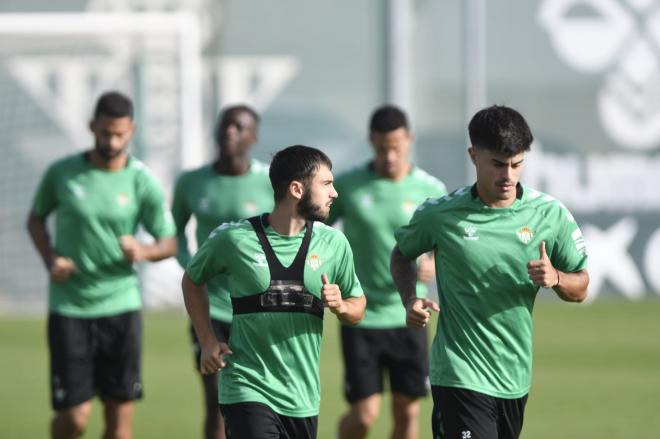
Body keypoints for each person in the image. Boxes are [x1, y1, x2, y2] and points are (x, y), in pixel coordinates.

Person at [390, 105, 589, 439]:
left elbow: (581, 285)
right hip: (458, 374)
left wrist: (556, 278)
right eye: (497, 164)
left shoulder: (550, 215)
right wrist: (410, 298)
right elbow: (402, 255)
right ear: (473, 155)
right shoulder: (441, 214)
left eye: (517, 164)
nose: (508, 175)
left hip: (514, 376)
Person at [182, 145, 367, 439]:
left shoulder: (335, 244)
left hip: (302, 398)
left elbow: (358, 305)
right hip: (247, 387)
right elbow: (192, 280)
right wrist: (207, 340)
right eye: (326, 184)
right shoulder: (234, 238)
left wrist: (343, 307)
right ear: (296, 189)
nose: (334, 193)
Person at [26, 91, 177, 439]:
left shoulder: (142, 180)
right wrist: (50, 259)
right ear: (92, 126)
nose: (112, 141)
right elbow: (35, 220)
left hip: (120, 306)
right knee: (74, 419)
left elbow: (169, 243)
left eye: (120, 134)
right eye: (105, 132)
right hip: (70, 307)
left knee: (118, 427)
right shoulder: (63, 173)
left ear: (132, 131)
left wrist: (143, 250)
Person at [328, 105, 447, 439]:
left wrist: (433, 261)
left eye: (396, 147)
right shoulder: (349, 186)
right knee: (365, 415)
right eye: (382, 148)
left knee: (407, 413)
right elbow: (316, 229)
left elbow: (446, 240)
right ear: (371, 142)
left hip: (409, 314)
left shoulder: (431, 189)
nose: (389, 155)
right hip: (361, 313)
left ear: (408, 140)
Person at [171, 104, 273, 439]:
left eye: (239, 127)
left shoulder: (270, 182)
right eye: (225, 125)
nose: (230, 132)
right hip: (210, 306)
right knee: (216, 401)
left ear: (253, 136)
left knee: (262, 401)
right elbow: (174, 234)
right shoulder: (191, 182)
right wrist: (193, 268)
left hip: (258, 308)